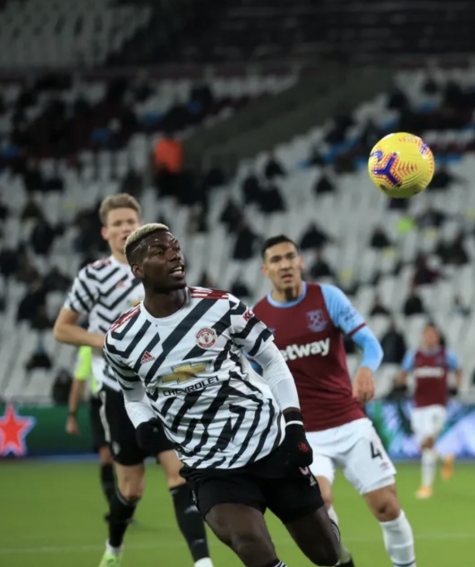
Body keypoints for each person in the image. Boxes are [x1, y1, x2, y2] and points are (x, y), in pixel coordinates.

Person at [102, 224, 342, 567]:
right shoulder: (121, 338)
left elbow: (272, 362)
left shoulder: (221, 306)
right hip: (209, 465)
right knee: (249, 541)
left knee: (327, 554)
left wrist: (294, 425)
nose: (174, 255)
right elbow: (132, 395)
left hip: (269, 444)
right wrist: (143, 424)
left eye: (175, 247)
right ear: (137, 270)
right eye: (160, 252)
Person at [51, 194, 211, 567]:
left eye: (131, 221)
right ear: (106, 232)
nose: (125, 227)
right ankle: (114, 546)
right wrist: (104, 341)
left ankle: (202, 562)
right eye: (118, 223)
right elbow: (62, 329)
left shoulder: (162, 267)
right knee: (131, 488)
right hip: (118, 391)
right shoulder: (93, 275)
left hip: (164, 387)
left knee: (180, 475)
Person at [254, 235, 417, 567]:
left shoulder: (327, 297)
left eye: (290, 257)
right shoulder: (258, 317)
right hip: (303, 432)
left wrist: (366, 371)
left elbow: (371, 345)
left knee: (386, 505)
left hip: (349, 421)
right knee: (321, 502)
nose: (285, 264)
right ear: (264, 269)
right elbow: (254, 377)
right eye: (276, 259)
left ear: (300, 261)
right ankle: (342, 561)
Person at [397, 323, 462, 499]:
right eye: (427, 334)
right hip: (418, 406)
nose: (430, 338)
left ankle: (426, 486)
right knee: (424, 444)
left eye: (433, 334)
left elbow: (458, 369)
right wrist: (402, 384)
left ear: (438, 337)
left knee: (427, 442)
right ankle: (444, 458)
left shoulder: (446, 355)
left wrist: (457, 386)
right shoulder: (414, 355)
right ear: (423, 336)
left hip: (438, 406)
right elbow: (403, 373)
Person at [64, 345, 117, 513]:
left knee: (124, 458)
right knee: (106, 456)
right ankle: (115, 507)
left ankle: (123, 503)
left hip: (122, 402)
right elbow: (78, 382)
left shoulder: (121, 339)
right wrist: (72, 415)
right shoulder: (88, 348)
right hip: (99, 403)